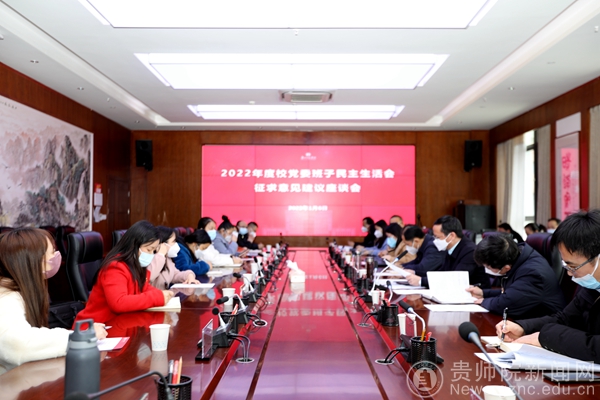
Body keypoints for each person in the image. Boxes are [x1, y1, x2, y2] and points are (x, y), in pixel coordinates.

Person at [496, 210, 600, 362]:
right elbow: (565, 319)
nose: (569, 274)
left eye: (573, 267)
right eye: (566, 267)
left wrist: (546, 337)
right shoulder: (593, 287)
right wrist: (523, 327)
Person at [0, 228, 107, 373]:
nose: (56, 256)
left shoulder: (23, 289)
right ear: (33, 260)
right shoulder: (6, 297)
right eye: (52, 252)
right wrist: (80, 337)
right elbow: (18, 346)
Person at [75, 221, 174, 324]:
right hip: (96, 327)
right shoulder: (115, 267)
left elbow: (143, 287)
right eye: (149, 249)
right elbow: (119, 303)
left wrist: (162, 294)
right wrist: (157, 298)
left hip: (120, 323)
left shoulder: (136, 265)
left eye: (154, 251)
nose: (151, 255)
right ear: (134, 245)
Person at [466, 232, 565, 319]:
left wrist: (484, 301)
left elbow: (505, 304)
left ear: (506, 268)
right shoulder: (518, 255)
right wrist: (483, 293)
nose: (486, 270)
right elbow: (513, 292)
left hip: (545, 325)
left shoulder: (533, 274)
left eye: (488, 267)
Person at [406, 215, 489, 288]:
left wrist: (421, 281)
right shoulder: (449, 248)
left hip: (475, 295)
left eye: (437, 237)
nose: (434, 241)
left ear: (451, 236)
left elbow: (455, 279)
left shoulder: (470, 251)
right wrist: (415, 272)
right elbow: (442, 273)